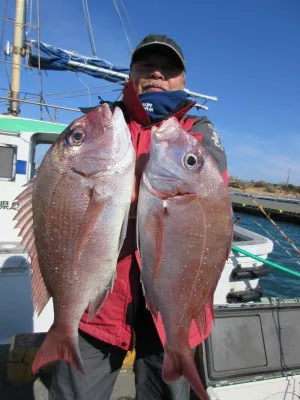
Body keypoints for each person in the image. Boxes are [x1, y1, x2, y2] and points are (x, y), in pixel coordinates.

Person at [48, 34, 228, 400]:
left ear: (182, 79)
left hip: (170, 315)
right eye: (147, 66)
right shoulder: (104, 124)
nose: (157, 74)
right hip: (98, 307)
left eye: (169, 69)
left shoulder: (197, 133)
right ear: (131, 74)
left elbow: (211, 187)